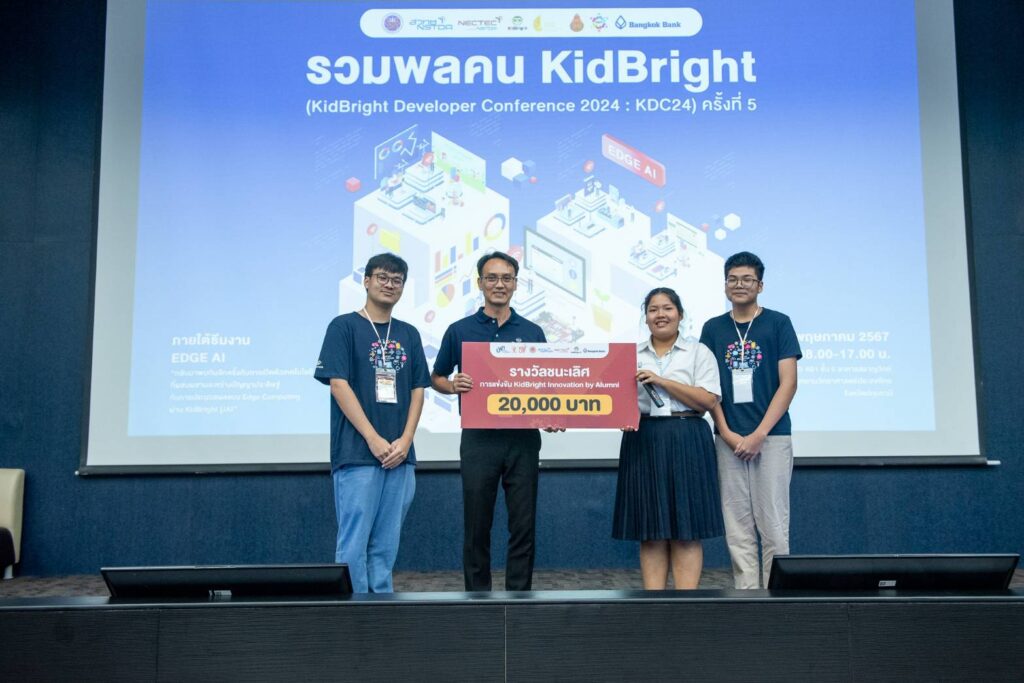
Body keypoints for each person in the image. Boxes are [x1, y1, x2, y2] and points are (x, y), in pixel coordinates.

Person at [431, 251, 550, 591]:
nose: (500, 284)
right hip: (478, 439)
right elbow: (436, 377)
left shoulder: (533, 332)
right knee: (477, 524)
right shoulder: (459, 330)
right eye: (492, 278)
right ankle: (477, 599)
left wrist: (553, 414)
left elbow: (546, 384)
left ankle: (519, 597)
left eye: (507, 278)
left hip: (523, 440)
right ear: (480, 283)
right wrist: (452, 386)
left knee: (523, 525)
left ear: (516, 284)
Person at [314, 253, 429, 593]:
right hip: (358, 454)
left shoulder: (409, 333)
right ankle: (353, 614)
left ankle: (381, 611)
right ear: (366, 281)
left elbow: (418, 390)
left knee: (386, 545)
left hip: (400, 456)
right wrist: (373, 438)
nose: (389, 285)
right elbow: (338, 385)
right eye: (382, 277)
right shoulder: (343, 327)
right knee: (354, 544)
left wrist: (406, 440)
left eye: (397, 280)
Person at [699, 251, 802, 589]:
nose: (739, 285)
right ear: (725, 285)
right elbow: (707, 387)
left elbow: (788, 383)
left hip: (771, 437)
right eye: (732, 279)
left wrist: (759, 434)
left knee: (773, 525)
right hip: (728, 439)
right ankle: (746, 595)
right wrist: (725, 431)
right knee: (737, 526)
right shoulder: (713, 328)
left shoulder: (779, 323)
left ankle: (776, 596)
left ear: (760, 285)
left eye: (747, 279)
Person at [613, 287, 724, 589]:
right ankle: (654, 604)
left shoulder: (699, 352)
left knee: (687, 529)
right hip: (644, 438)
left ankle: (686, 604)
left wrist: (662, 381)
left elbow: (708, 400)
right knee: (650, 529)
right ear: (645, 317)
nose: (660, 315)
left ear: (680, 315)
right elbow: (614, 400)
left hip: (687, 435)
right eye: (653, 310)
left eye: (667, 308)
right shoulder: (628, 356)